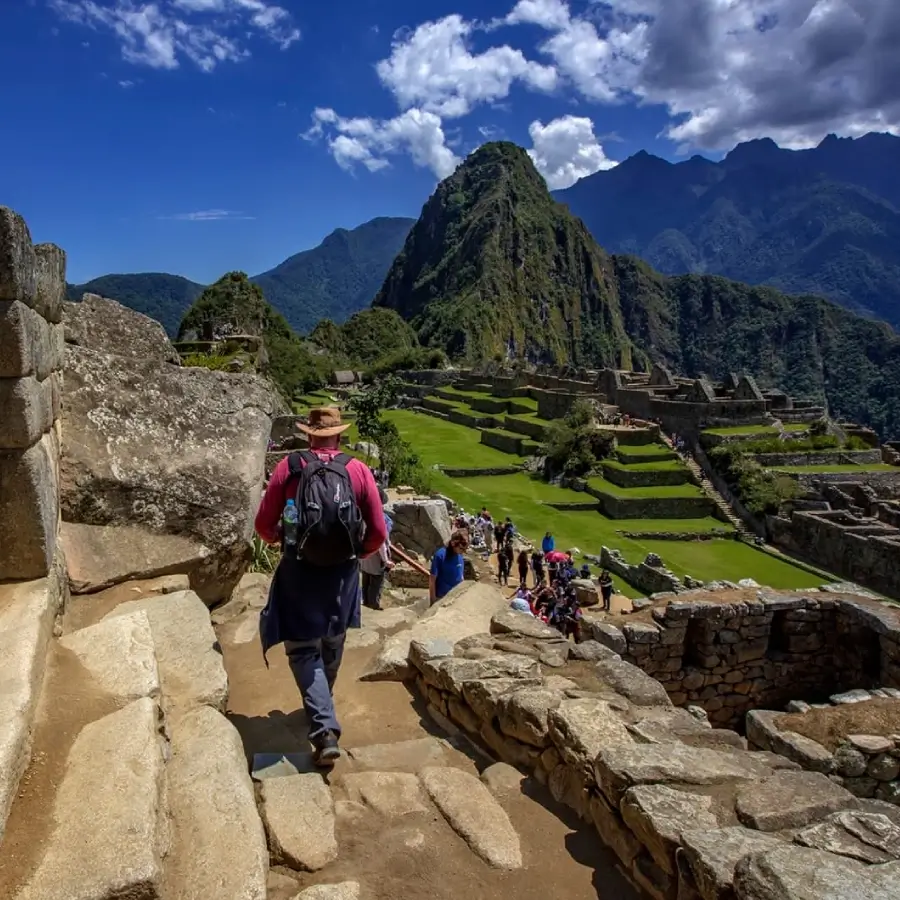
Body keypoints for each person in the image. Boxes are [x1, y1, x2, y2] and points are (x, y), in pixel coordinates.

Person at [255, 407, 386, 767]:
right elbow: (377, 531)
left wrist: (281, 538)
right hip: (342, 574)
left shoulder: (290, 468)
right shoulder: (357, 470)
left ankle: (324, 728)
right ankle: (322, 701)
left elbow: (264, 525)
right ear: (339, 436)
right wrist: (355, 552)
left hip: (299, 569)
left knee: (302, 650)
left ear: (309, 434)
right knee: (333, 639)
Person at [360, 488, 393, 610]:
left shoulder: (363, 514)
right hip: (376, 559)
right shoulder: (380, 518)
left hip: (365, 557)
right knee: (375, 584)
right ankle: (373, 606)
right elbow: (381, 542)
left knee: (365, 582)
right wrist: (386, 561)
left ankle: (366, 604)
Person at [429, 530, 469, 605]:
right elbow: (432, 579)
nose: (463, 551)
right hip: (442, 599)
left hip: (456, 598)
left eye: (464, 549)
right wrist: (433, 601)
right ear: (453, 543)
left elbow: (461, 575)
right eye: (461, 549)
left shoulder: (459, 555)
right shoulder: (440, 555)